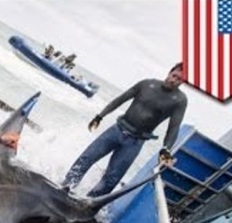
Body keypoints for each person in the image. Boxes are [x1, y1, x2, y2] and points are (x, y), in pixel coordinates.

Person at [61, 63, 187, 196]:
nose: (174, 81)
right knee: (86, 158)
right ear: (170, 72)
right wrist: (100, 116)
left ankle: (87, 202)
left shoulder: (179, 100)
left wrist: (166, 149)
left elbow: (174, 127)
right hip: (117, 130)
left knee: (112, 178)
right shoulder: (147, 84)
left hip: (135, 142)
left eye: (179, 80)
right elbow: (120, 100)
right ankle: (65, 187)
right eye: (174, 76)